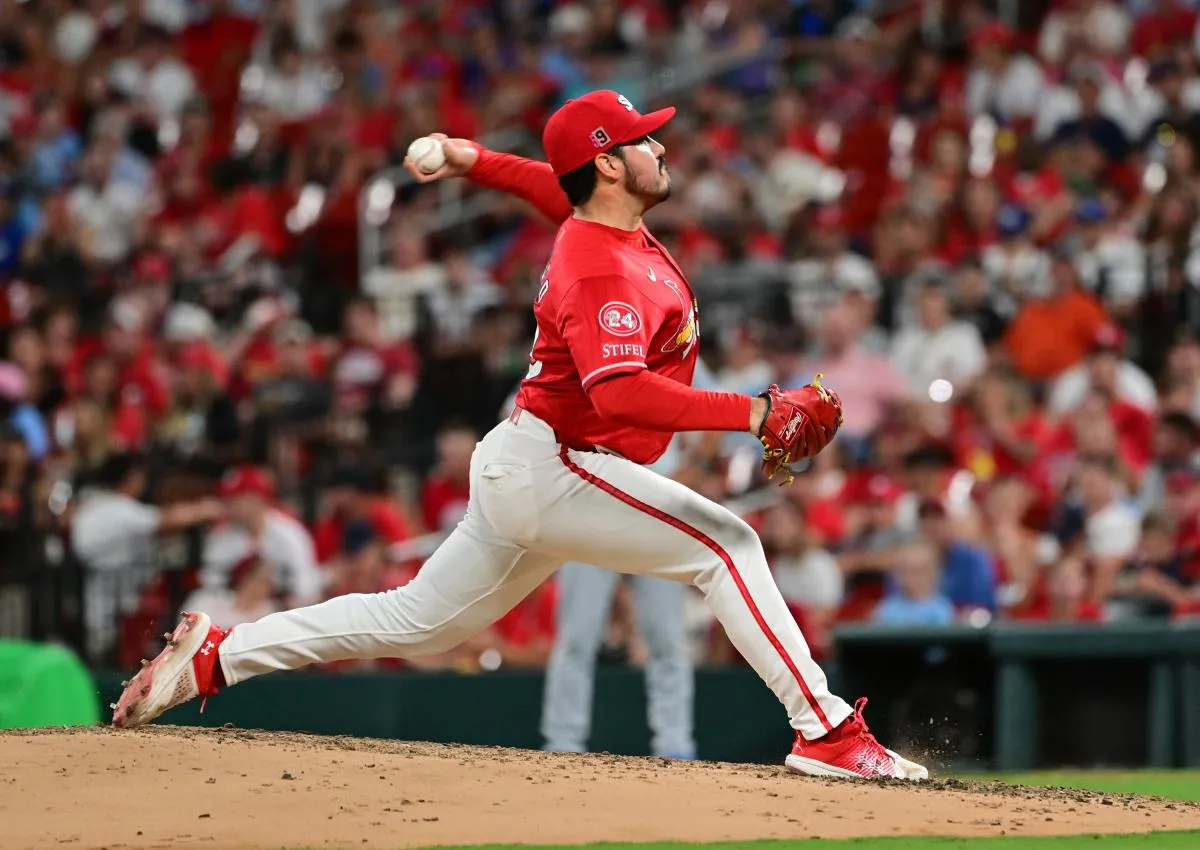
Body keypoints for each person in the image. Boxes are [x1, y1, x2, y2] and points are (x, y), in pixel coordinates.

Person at [111, 90, 927, 781]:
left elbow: (550, 186)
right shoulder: (601, 265)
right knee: (726, 547)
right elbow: (620, 391)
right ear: (610, 164)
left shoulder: (605, 227)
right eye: (643, 138)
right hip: (561, 461)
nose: (660, 144)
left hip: (534, 462)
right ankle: (827, 731)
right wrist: (751, 413)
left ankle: (222, 654)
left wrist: (471, 158)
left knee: (418, 622)